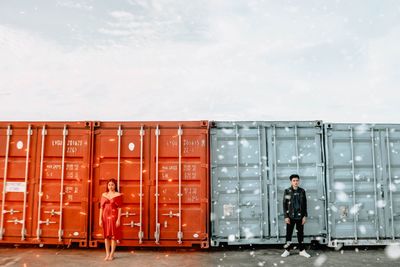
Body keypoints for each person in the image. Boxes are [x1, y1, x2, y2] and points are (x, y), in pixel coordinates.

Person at [281, 174, 311, 258]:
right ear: (291, 181)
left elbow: (305, 204)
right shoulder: (287, 191)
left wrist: (305, 216)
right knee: (288, 234)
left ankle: (302, 250)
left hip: (300, 217)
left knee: (300, 234)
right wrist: (286, 216)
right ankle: (287, 250)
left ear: (299, 181)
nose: (295, 182)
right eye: (294, 181)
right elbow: (285, 204)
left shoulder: (302, 191)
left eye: (297, 180)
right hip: (290, 216)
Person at [99, 178, 122, 261]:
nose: (110, 186)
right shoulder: (104, 194)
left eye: (112, 184)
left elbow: (119, 208)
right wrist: (100, 219)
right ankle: (107, 254)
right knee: (106, 236)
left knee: (113, 236)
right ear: (107, 186)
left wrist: (118, 219)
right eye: (109, 185)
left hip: (114, 217)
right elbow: (101, 208)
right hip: (105, 217)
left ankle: (112, 254)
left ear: (115, 186)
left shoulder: (118, 195)